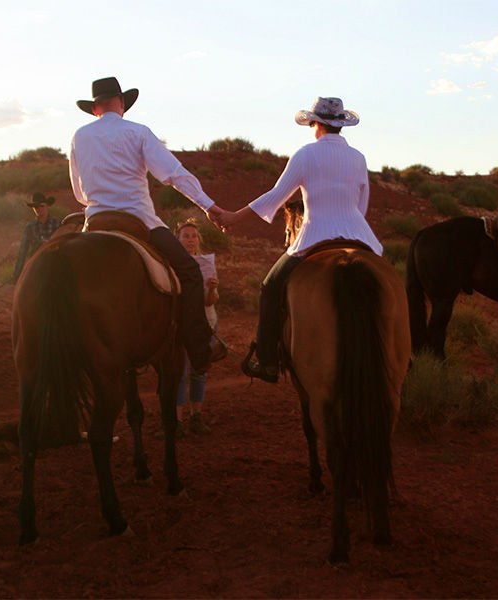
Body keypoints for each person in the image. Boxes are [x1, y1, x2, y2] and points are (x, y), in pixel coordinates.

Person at [218, 97, 383, 383]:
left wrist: (233, 217)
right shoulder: (358, 158)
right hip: (360, 236)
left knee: (270, 288)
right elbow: (362, 205)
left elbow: (276, 196)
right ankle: (401, 355)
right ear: (340, 126)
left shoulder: (306, 154)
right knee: (386, 285)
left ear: (316, 124)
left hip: (314, 235)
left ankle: (267, 361)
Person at [69, 76, 226, 374]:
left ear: (94, 109)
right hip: (139, 220)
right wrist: (209, 206)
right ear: (122, 103)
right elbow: (173, 174)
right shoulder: (138, 132)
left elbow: (79, 193)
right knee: (191, 273)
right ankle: (199, 347)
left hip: (95, 221)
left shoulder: (79, 136)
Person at [175, 219, 219, 436]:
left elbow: (210, 302)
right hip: (180, 324)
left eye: (193, 236)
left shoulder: (206, 264)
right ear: (178, 239)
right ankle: (176, 421)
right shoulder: (172, 265)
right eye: (186, 236)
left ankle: (196, 417)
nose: (191, 240)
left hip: (205, 322)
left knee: (198, 371)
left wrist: (211, 289)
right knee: (179, 373)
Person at [13, 192, 61, 282]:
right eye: (36, 207)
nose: (39, 209)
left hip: (55, 263)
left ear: (47, 206)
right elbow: (23, 251)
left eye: (42, 206)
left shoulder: (57, 224)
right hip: (36, 264)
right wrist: (17, 273)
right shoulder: (30, 227)